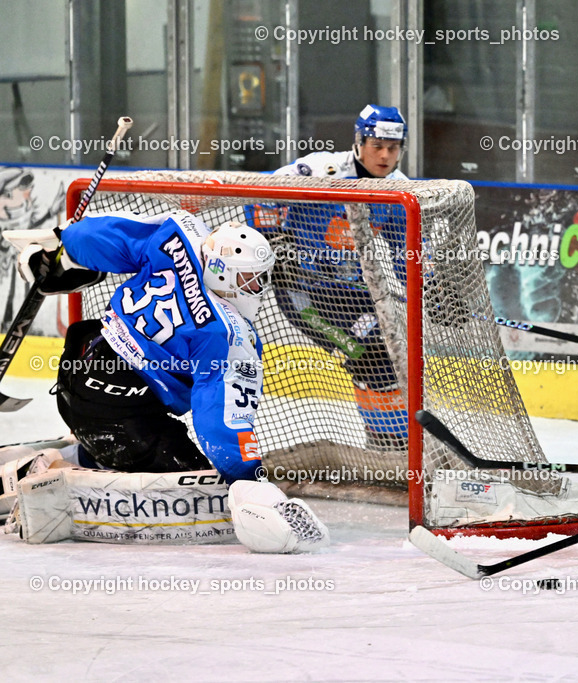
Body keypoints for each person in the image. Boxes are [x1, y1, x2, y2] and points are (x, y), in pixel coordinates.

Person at [13, 209, 328, 552]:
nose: (257, 288)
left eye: (260, 277)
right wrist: (246, 476)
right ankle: (42, 472)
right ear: (223, 274)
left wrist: (61, 251)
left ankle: (87, 453)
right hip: (118, 413)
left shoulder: (180, 235)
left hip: (79, 365)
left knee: (135, 439)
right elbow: (218, 415)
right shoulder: (224, 332)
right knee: (199, 494)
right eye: (249, 279)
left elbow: (100, 235)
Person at [252, 104, 411, 451]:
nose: (385, 156)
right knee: (373, 355)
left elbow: (408, 251)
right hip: (304, 291)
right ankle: (390, 447)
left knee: (392, 354)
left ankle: (389, 445)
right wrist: (277, 246)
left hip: (354, 293)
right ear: (359, 142)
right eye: (377, 146)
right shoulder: (322, 169)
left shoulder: (399, 190)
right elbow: (261, 193)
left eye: (393, 148)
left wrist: (434, 288)